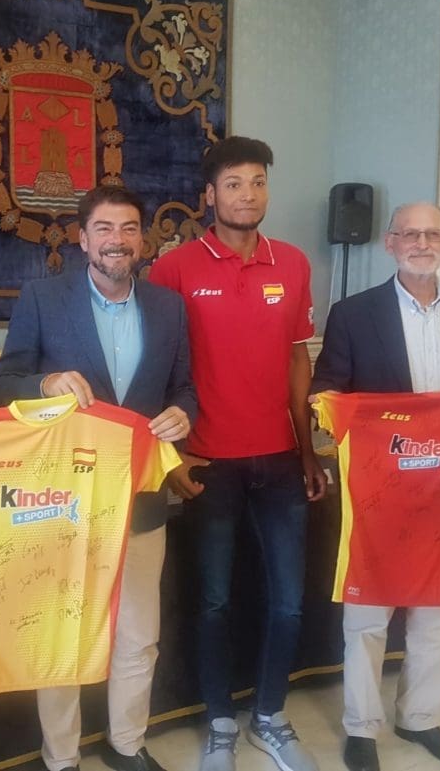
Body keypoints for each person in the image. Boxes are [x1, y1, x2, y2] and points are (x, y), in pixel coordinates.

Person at [0, 185, 196, 771]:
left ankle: (127, 743)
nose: (117, 240)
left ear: (143, 240)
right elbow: (2, 385)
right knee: (62, 636)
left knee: (138, 635)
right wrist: (45, 384)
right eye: (104, 229)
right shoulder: (42, 297)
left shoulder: (168, 308)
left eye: (129, 228)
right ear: (82, 239)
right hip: (64, 501)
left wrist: (186, 413)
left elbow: (184, 386)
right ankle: (62, 758)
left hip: (141, 499)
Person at [311, 202, 440, 771]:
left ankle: (421, 719)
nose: (422, 243)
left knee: (438, 611)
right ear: (390, 243)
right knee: (367, 617)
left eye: (433, 234)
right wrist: (323, 407)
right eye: (410, 234)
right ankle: (361, 728)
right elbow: (328, 387)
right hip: (379, 495)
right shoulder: (354, 314)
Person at [148, 136, 326, 771]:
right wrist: (171, 459)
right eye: (233, 184)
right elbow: (157, 370)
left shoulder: (295, 264)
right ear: (209, 196)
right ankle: (221, 720)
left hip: (280, 461)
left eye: (257, 183)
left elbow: (297, 357)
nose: (246, 195)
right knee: (215, 599)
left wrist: (308, 451)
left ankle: (271, 716)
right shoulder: (174, 269)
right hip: (208, 463)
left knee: (288, 600)